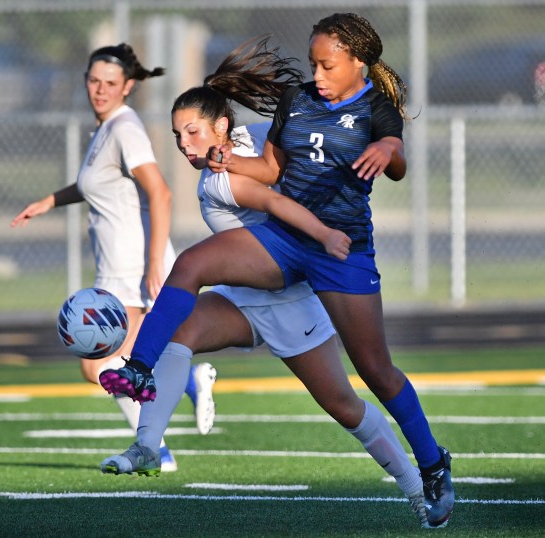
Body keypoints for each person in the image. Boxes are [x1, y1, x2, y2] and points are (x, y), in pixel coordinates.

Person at [99, 15, 455, 528]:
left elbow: (396, 161)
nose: (317, 73)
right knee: (193, 265)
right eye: (312, 62)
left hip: (340, 250)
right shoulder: (296, 101)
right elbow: (269, 168)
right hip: (285, 246)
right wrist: (229, 158)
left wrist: (386, 148)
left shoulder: (374, 107)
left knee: (372, 373)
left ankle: (430, 465)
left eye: (327, 64)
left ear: (358, 63)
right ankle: (140, 382)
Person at [10, 42, 217, 471]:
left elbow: (160, 191)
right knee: (115, 363)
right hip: (118, 267)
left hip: (133, 266)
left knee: (100, 366)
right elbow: (93, 185)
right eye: (93, 80)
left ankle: (159, 443)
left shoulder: (124, 127)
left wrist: (156, 263)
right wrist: (50, 200)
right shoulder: (105, 129)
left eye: (110, 83)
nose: (100, 89)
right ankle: (180, 405)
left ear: (127, 87)